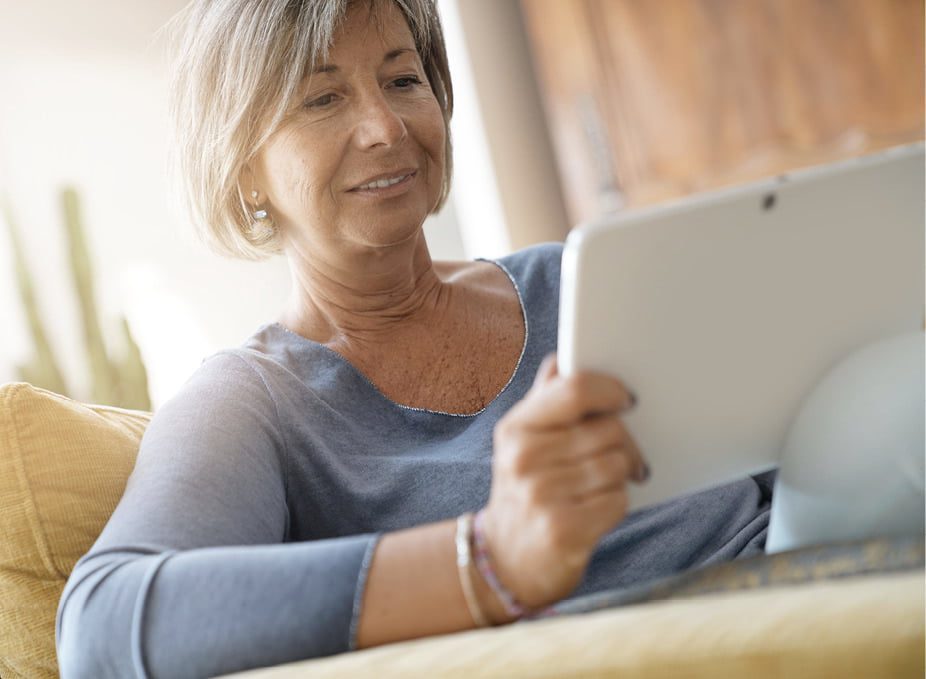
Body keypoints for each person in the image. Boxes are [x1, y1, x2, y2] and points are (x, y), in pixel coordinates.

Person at [56, 1, 773, 677]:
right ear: (246, 168)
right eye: (323, 98)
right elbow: (102, 626)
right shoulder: (251, 400)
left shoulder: (578, 279)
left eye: (403, 80)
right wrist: (489, 560)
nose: (386, 128)